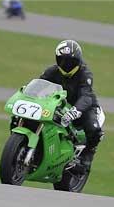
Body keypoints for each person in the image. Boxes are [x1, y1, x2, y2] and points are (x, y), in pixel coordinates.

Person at [40, 39, 104, 173]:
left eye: (70, 62)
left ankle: (87, 155)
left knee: (94, 129)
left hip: (84, 107)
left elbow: (86, 96)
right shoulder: (52, 72)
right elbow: (39, 85)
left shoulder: (85, 74)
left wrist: (75, 111)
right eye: (62, 61)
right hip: (60, 105)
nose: (66, 65)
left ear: (78, 61)